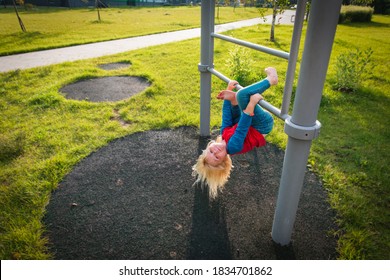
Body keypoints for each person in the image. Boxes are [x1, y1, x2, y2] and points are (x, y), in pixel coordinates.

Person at [192, 67, 278, 199]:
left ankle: (233, 100)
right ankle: (271, 80)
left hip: (249, 123)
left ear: (208, 147)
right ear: (224, 160)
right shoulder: (233, 147)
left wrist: (228, 93)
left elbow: (226, 118)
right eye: (217, 157)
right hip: (262, 125)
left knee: (232, 116)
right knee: (242, 95)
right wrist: (252, 102)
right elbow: (242, 127)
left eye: (211, 151)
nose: (215, 151)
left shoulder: (223, 137)